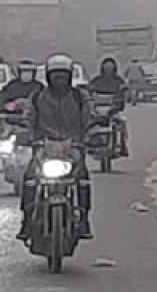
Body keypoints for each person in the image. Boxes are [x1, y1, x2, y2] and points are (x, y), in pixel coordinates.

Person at [19, 54, 93, 241]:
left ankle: (84, 219)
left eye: (63, 76)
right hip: (44, 146)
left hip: (72, 146)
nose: (59, 80)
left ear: (69, 77)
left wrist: (90, 136)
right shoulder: (37, 97)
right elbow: (28, 118)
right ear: (48, 77)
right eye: (55, 76)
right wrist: (27, 136)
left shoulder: (79, 97)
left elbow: (88, 118)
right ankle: (27, 221)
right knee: (29, 180)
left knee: (83, 180)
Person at [88, 57, 130, 157]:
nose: (108, 70)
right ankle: (90, 144)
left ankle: (123, 146)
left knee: (122, 122)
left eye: (110, 68)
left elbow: (124, 92)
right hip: (97, 110)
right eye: (106, 68)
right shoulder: (96, 80)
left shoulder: (119, 81)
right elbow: (89, 90)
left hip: (114, 111)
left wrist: (122, 98)